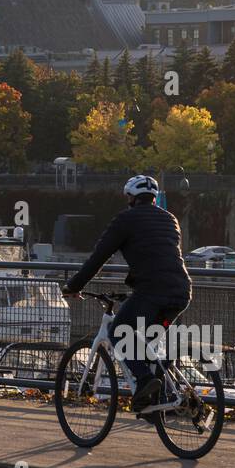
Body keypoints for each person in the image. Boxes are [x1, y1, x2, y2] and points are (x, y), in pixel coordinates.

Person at [62, 174, 193, 412]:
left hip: (152, 291)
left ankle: (145, 381)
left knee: (118, 333)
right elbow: (161, 256)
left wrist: (74, 286)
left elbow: (98, 257)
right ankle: (159, 401)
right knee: (147, 344)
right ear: (153, 198)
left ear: (131, 198)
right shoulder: (170, 219)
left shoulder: (126, 220)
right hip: (181, 291)